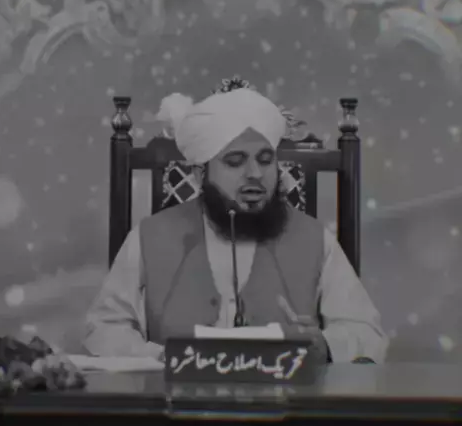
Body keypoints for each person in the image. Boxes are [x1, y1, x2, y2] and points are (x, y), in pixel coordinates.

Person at [83, 87, 388, 364]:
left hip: (288, 403)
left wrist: (324, 345)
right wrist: (161, 358)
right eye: (235, 161)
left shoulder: (314, 240)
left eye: (265, 160)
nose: (255, 173)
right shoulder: (150, 238)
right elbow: (105, 328)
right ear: (200, 174)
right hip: (177, 403)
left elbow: (366, 332)